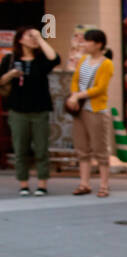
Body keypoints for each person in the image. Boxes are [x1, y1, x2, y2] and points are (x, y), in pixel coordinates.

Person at [1, 26, 61, 196]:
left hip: (40, 109)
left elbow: (55, 59)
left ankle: (42, 183)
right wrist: (11, 75)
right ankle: (23, 184)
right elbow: (0, 81)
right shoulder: (10, 59)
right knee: (20, 149)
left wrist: (41, 39)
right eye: (30, 36)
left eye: (35, 36)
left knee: (41, 148)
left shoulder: (41, 60)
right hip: (17, 109)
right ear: (20, 39)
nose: (33, 38)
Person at [67, 28, 115, 197]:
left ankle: (104, 185)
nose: (84, 44)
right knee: (82, 148)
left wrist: (77, 95)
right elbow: (75, 80)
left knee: (100, 148)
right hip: (79, 109)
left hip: (96, 110)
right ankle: (84, 183)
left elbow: (100, 88)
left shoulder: (106, 63)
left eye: (88, 41)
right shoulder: (83, 60)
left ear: (98, 44)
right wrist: (74, 95)